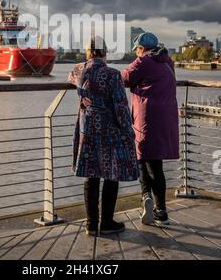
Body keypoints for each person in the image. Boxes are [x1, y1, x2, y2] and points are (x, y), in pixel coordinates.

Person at [68, 36, 139, 236]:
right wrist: (128, 131)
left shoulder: (77, 70)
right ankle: (107, 222)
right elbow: (121, 107)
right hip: (109, 130)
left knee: (91, 176)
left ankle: (91, 224)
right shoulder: (113, 75)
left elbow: (72, 78)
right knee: (111, 174)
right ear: (105, 52)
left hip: (87, 129)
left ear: (87, 52)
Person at [121, 32, 179, 226]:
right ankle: (160, 210)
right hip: (166, 119)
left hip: (146, 119)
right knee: (155, 164)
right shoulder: (167, 62)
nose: (137, 53)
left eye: (137, 50)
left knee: (143, 159)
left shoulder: (143, 62)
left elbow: (125, 79)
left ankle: (147, 196)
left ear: (140, 49)